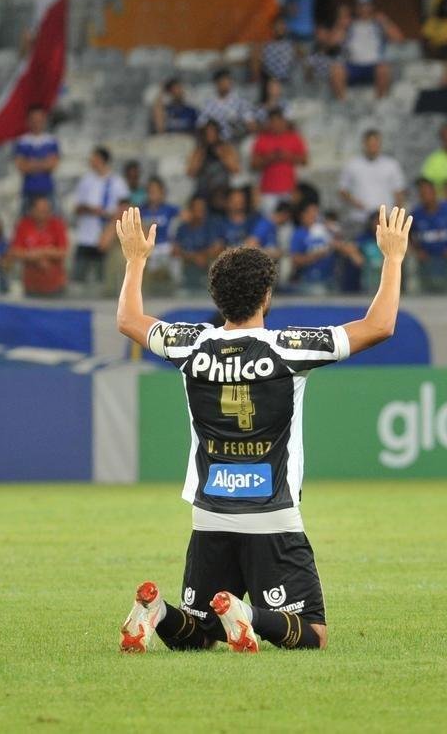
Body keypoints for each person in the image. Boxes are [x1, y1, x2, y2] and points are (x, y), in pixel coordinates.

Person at [113, 203, 412, 654]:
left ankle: (157, 614)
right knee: (312, 634)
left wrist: (136, 260)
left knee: (198, 637)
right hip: (273, 516)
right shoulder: (288, 349)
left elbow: (130, 321)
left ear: (217, 297)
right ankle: (245, 613)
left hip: (209, 514)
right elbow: (379, 325)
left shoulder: (191, 344)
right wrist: (392, 258)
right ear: (267, 295)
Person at [72, 146, 128, 289]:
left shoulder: (117, 182)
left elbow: (124, 208)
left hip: (105, 234)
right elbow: (77, 207)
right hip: (86, 234)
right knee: (79, 276)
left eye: (94, 158)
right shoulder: (86, 181)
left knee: (102, 277)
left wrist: (106, 214)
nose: (91, 161)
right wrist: (89, 209)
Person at [329, 0, 403, 100]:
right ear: (355, 8)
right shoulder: (349, 24)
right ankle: (342, 103)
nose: (364, 9)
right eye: (360, 5)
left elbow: (398, 39)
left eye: (367, 5)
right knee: (336, 70)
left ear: (372, 6)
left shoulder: (379, 23)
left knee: (383, 68)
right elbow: (332, 43)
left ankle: (380, 102)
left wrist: (386, 22)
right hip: (353, 66)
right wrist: (341, 26)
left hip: (373, 66)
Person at [338, 129, 406, 237]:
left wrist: (396, 217)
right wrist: (355, 202)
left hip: (385, 218)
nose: (373, 147)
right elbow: (342, 190)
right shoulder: (352, 165)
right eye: (370, 144)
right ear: (364, 144)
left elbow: (399, 192)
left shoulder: (391, 165)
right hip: (359, 218)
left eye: (375, 144)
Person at [410, 177, 447, 293]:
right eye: (422, 194)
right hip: (426, 261)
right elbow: (406, 233)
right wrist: (417, 251)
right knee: (427, 292)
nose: (425, 196)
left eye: (427, 192)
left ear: (434, 192)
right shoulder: (416, 214)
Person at [251, 107, 307, 214]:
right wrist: (270, 158)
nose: (275, 125)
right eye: (272, 121)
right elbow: (254, 164)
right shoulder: (262, 139)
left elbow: (304, 160)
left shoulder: (294, 137)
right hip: (268, 191)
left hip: (289, 189)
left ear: (283, 121)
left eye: (278, 121)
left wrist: (288, 156)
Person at [10, 194, 68, 297]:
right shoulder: (23, 225)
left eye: (47, 209)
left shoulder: (57, 224)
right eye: (40, 210)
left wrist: (42, 252)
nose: (44, 213)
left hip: (55, 285)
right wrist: (38, 257)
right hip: (31, 285)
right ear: (32, 210)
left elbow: (63, 251)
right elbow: (15, 252)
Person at [14, 105, 59, 212]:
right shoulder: (22, 141)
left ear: (44, 120)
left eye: (39, 119)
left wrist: (31, 163)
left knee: (53, 220)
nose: (36, 123)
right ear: (28, 121)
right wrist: (43, 163)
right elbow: (22, 167)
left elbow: (52, 166)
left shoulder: (51, 140)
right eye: (33, 119)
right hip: (28, 190)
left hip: (47, 189)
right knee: (25, 222)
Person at [173, 193, 221, 292]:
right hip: (186, 267)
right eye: (196, 209)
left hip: (207, 268)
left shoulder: (211, 226)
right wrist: (194, 257)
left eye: (202, 209)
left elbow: (218, 248)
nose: (199, 212)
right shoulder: (182, 228)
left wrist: (203, 255)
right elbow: (175, 250)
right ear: (190, 210)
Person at [289, 200, 337, 295]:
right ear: (303, 215)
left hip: (330, 279)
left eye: (316, 212)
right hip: (310, 280)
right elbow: (295, 260)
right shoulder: (299, 234)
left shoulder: (324, 230)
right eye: (311, 212)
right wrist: (316, 255)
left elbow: (338, 244)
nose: (314, 215)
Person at [186, 120, 239, 203]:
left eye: (213, 132)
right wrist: (201, 156)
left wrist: (221, 154)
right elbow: (191, 172)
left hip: (222, 189)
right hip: (204, 189)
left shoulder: (226, 148)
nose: (210, 135)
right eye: (208, 132)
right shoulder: (199, 150)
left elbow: (235, 169)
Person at [196, 69, 256, 141]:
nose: (225, 84)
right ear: (216, 83)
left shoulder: (241, 103)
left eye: (228, 81)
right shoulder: (208, 104)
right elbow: (200, 125)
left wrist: (239, 124)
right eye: (222, 81)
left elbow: (251, 124)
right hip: (216, 141)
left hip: (237, 140)